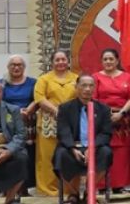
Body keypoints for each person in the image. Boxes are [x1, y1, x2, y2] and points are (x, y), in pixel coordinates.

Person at [54, 75, 113, 204]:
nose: (87, 89)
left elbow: (106, 133)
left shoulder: (103, 109)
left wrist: (93, 148)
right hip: (73, 146)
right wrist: (72, 148)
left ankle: (89, 191)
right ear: (76, 87)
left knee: (106, 153)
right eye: (84, 85)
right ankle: (73, 193)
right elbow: (63, 131)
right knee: (61, 154)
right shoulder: (65, 108)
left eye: (91, 86)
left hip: (95, 147)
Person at [34, 50, 79, 196]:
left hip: (72, 120)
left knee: (69, 154)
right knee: (47, 156)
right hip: (49, 121)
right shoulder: (44, 79)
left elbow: (82, 96)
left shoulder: (76, 78)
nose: (60, 62)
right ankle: (48, 189)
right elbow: (39, 98)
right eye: (57, 60)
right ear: (52, 62)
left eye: (63, 59)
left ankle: (69, 189)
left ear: (68, 61)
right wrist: (56, 111)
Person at [91, 48, 130, 194]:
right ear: (101, 62)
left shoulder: (127, 77)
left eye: (111, 59)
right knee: (104, 150)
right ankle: (102, 186)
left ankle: (119, 185)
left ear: (117, 60)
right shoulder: (96, 77)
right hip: (102, 119)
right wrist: (106, 114)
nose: (108, 62)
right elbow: (94, 99)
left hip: (122, 120)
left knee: (121, 154)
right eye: (105, 59)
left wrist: (121, 113)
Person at [1, 55, 37, 196]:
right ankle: (8, 187)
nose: (16, 67)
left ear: (24, 67)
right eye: (13, 65)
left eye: (19, 65)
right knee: (9, 155)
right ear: (8, 67)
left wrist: (28, 109)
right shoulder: (1, 83)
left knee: (28, 155)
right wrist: (15, 111)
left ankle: (24, 188)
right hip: (8, 123)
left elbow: (38, 99)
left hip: (28, 122)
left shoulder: (33, 82)